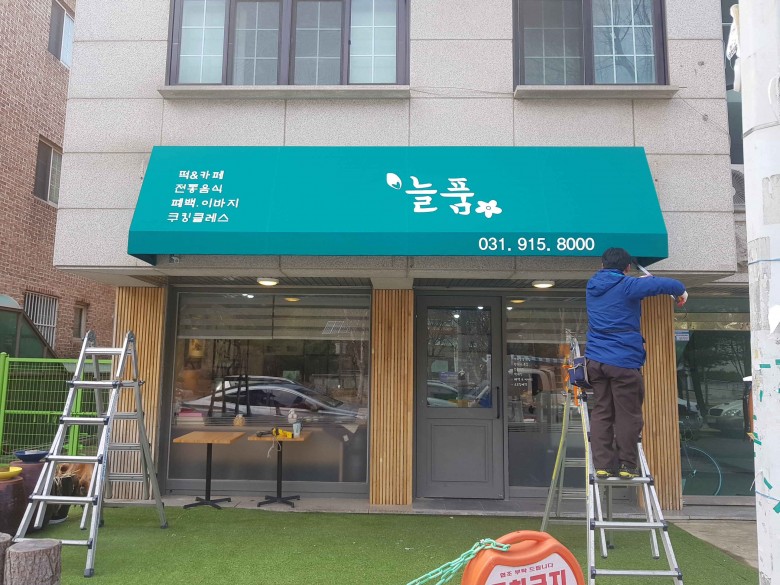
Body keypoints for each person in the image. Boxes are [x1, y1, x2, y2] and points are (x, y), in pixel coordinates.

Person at [585, 247, 687, 479]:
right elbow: (669, 285)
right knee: (627, 414)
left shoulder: (592, 286)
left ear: (602, 266)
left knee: (602, 411)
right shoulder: (628, 286)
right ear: (628, 267)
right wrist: (682, 292)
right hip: (622, 361)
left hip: (596, 361)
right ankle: (627, 465)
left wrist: (638, 283)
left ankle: (602, 465)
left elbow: (619, 288)